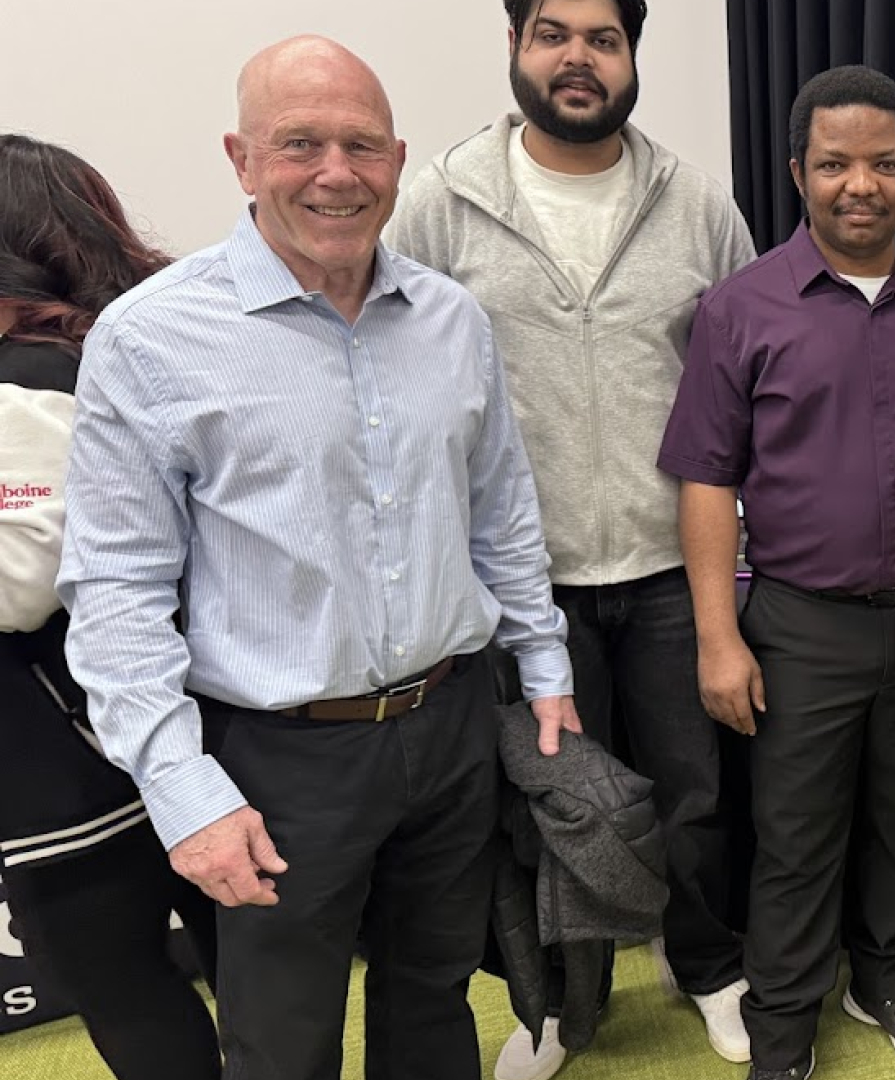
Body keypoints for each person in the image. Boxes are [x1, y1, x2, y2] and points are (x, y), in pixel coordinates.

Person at [56, 36, 581, 1080]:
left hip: (448, 727)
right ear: (241, 159)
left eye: (362, 145)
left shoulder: (451, 320)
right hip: (275, 760)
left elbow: (501, 512)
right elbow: (114, 596)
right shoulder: (150, 338)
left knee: (434, 1002)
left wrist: (547, 664)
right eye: (300, 144)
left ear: (397, 160)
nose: (336, 174)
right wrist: (182, 788)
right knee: (283, 1037)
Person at [388, 0, 758, 1072]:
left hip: (667, 568)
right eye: (555, 34)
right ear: (514, 47)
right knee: (548, 809)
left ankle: (707, 965)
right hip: (517, 582)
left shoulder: (692, 202)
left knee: (690, 797)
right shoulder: (440, 203)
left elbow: (737, 386)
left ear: (631, 54)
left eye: (604, 38)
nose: (579, 59)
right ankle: (556, 1009)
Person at [659, 64, 895, 1080]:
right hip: (799, 623)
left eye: (884, 164)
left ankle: (884, 978)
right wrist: (719, 639)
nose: (862, 184)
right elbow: (705, 481)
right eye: (836, 163)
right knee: (794, 838)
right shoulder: (740, 309)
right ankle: (786, 1025)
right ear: (798, 171)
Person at [0, 134, 220, 1080]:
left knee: (135, 1000)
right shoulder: (157, 340)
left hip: (72, 766)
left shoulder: (29, 377)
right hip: (202, 729)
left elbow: (22, 581)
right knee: (259, 983)